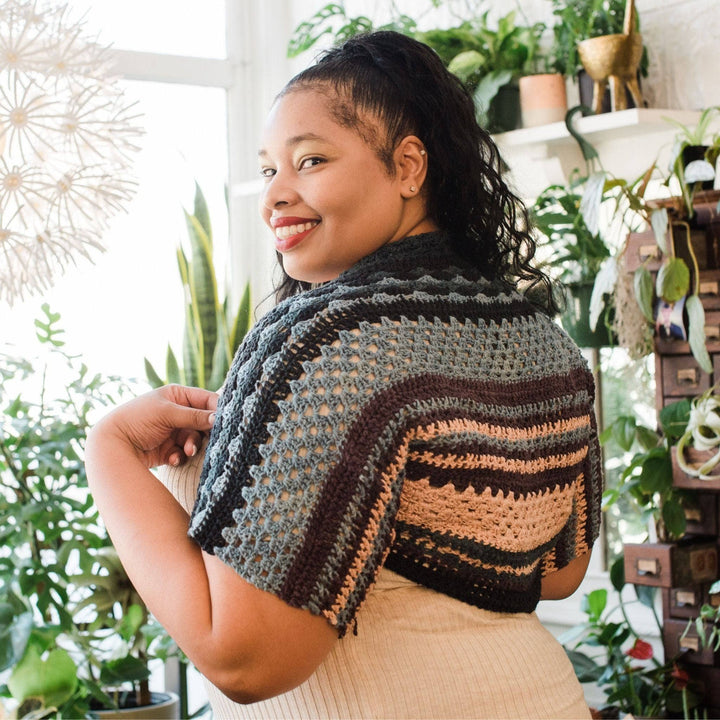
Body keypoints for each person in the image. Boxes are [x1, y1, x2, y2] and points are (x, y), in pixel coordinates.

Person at [85, 30, 603, 719]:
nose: (276, 195)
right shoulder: (547, 344)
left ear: (408, 166)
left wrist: (110, 450)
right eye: (269, 170)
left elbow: (242, 656)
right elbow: (558, 572)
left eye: (311, 160)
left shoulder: (327, 338)